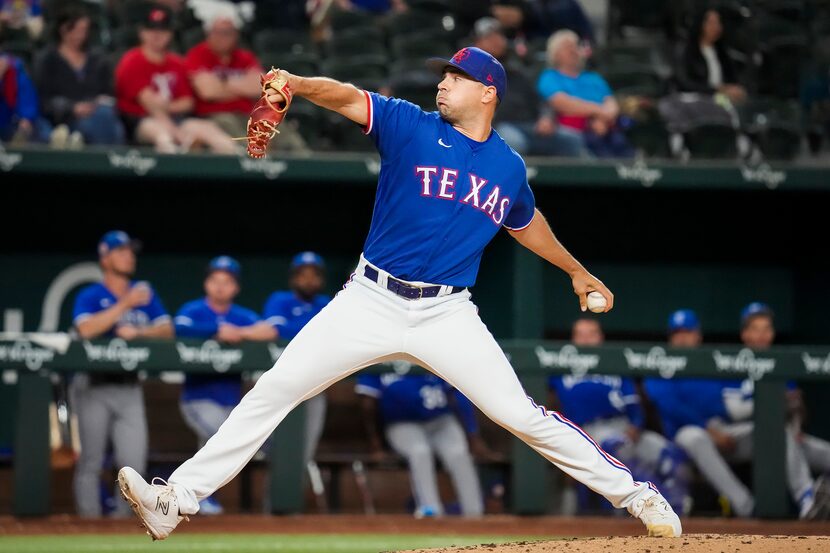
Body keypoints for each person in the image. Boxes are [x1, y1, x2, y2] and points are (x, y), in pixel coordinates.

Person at [118, 46, 681, 540]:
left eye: (455, 78)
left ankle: (638, 496)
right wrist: (296, 83)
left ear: (488, 93)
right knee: (275, 388)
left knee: (521, 415)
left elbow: (525, 221)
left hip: (446, 313)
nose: (442, 83)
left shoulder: (507, 167)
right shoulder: (410, 125)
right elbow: (345, 97)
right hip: (370, 299)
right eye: (443, 75)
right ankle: (177, 500)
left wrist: (575, 270)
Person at [646, 306, 830, 519]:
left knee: (776, 431)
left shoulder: (711, 363)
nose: (683, 338)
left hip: (726, 432)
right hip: (685, 437)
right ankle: (746, 507)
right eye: (678, 333)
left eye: (688, 332)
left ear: (698, 335)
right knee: (695, 437)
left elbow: (729, 409)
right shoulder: (660, 365)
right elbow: (671, 407)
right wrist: (709, 428)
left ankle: (808, 499)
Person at [71, 230, 173, 517]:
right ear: (105, 257)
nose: (129, 256)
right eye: (121, 251)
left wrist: (140, 332)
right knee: (91, 461)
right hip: (94, 384)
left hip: (129, 385)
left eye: (130, 251)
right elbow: (86, 329)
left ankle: (122, 527)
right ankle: (87, 526)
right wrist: (125, 305)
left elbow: (167, 330)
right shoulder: (91, 295)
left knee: (133, 465)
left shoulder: (144, 294)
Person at [549, 317, 690, 514]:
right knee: (617, 449)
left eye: (591, 334)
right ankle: (648, 510)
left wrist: (636, 425)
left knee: (667, 452)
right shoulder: (559, 367)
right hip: (588, 431)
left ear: (601, 338)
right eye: (580, 335)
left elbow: (633, 402)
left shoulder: (613, 363)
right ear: (572, 340)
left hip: (625, 427)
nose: (586, 340)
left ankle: (678, 510)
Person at [173, 255, 277, 515]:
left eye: (227, 281)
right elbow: (179, 329)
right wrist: (216, 331)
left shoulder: (241, 316)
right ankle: (199, 496)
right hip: (197, 398)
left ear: (236, 287)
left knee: (271, 442)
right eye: (215, 280)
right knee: (221, 437)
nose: (220, 286)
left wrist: (239, 333)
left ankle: (272, 505)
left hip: (233, 402)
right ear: (207, 283)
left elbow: (269, 331)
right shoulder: (193, 310)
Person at [356, 363, 490, 517]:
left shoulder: (431, 351)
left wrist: (473, 435)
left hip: (441, 420)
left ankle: (475, 514)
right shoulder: (381, 356)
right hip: (402, 423)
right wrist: (375, 443)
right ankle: (431, 511)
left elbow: (457, 396)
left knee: (459, 454)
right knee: (420, 452)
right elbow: (367, 403)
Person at [114, 3, 236, 154]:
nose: (156, 35)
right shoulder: (132, 60)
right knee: (163, 136)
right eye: (151, 29)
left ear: (170, 33)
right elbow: (149, 103)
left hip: (177, 119)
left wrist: (167, 109)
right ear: (142, 32)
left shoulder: (177, 63)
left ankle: (243, 165)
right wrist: (177, 133)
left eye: (162, 30)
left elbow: (187, 103)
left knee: (211, 131)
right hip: (140, 120)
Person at [473, 17, 585, 157]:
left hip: (530, 126)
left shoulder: (516, 72)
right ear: (477, 43)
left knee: (572, 140)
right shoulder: (471, 73)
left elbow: (541, 102)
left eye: (499, 36)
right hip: (498, 127)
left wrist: (546, 118)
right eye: (489, 37)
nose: (496, 40)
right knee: (515, 143)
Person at [262, 252, 331, 465]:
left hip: (315, 387)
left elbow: (334, 335)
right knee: (277, 452)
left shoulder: (327, 302)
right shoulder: (280, 299)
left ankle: (292, 499)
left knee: (305, 453)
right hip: (282, 384)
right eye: (303, 275)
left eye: (314, 275)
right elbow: (276, 331)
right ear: (294, 278)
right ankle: (271, 499)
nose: (309, 280)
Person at [34, 5, 125, 146]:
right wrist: (73, 108)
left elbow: (109, 93)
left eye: (83, 30)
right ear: (62, 29)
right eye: (74, 29)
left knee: (107, 119)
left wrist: (97, 102)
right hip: (64, 119)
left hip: (97, 114)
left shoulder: (98, 59)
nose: (79, 35)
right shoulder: (48, 60)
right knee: (98, 126)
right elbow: (43, 100)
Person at [537, 29, 633, 158]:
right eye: (567, 47)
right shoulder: (549, 77)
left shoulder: (594, 78)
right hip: (574, 133)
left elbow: (611, 104)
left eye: (576, 45)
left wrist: (602, 119)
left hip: (605, 128)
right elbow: (562, 104)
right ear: (555, 54)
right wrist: (597, 115)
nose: (573, 50)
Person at [184, 7, 261, 139]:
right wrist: (243, 86)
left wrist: (221, 84)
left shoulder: (245, 57)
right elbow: (208, 92)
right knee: (231, 127)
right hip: (214, 115)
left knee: (274, 125)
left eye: (227, 33)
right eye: (217, 32)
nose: (222, 38)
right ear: (208, 34)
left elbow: (262, 87)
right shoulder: (197, 54)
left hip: (247, 112)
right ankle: (247, 158)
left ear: (236, 35)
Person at [675, 8, 746, 106]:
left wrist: (735, 88)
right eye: (711, 23)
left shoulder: (722, 52)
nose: (716, 27)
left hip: (720, 98)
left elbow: (732, 78)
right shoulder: (686, 51)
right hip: (697, 99)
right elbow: (685, 83)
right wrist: (718, 89)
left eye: (718, 22)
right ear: (701, 25)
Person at [0, 43, 49, 144]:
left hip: (13, 121)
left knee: (43, 130)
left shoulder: (12, 68)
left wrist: (26, 117)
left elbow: (27, 94)